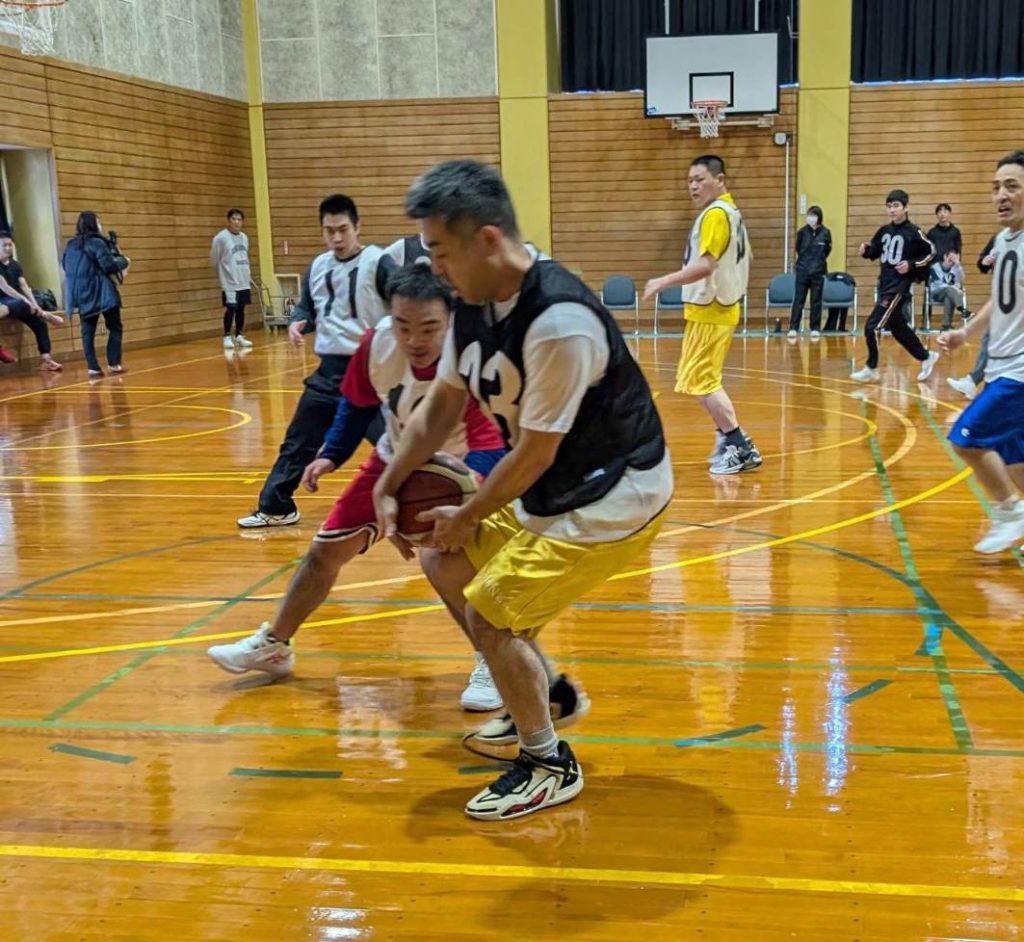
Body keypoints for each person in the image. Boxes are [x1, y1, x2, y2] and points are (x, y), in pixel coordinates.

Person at [373, 160, 673, 822]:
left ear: (487, 240)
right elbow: (441, 408)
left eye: (440, 251)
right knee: (444, 557)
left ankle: (546, 763)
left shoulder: (559, 322)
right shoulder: (474, 305)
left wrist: (469, 512)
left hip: (613, 496)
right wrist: (389, 484)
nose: (435, 268)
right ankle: (546, 694)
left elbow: (537, 452)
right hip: (555, 487)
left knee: (492, 613)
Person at [210, 264, 510, 708]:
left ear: (449, 319)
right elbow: (357, 404)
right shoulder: (377, 343)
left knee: (446, 564)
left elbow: (492, 440)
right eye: (404, 326)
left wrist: (467, 504)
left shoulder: (472, 355)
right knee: (324, 551)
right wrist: (332, 453)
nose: (415, 340)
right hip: (394, 458)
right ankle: (275, 645)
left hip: (464, 466)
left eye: (428, 328)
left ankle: (495, 662)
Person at [237, 194, 395, 528]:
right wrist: (298, 321)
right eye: (329, 231)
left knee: (394, 444)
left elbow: (404, 305)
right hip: (328, 374)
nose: (336, 238)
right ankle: (276, 505)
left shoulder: (379, 262)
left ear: (357, 227)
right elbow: (308, 307)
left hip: (371, 374)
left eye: (343, 230)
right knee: (298, 441)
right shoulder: (318, 267)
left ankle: (428, 497)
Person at [642, 155, 761, 474]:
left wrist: (662, 281)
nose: (693, 186)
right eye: (689, 181)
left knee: (704, 382)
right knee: (697, 379)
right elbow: (747, 256)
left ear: (719, 180)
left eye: (699, 179)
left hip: (712, 308)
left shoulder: (716, 215)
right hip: (713, 308)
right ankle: (729, 438)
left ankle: (739, 446)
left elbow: (707, 265)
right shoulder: (731, 212)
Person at [939, 150, 1024, 554]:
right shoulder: (1006, 240)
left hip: (1019, 373)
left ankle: (1009, 513)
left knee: (965, 438)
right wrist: (966, 333)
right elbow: (1001, 300)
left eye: (1012, 186)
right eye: (995, 188)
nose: (1001, 195)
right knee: (1013, 457)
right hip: (1001, 366)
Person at [850, 189, 939, 383]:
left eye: (896, 206)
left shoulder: (914, 232)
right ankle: (926, 357)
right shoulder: (884, 231)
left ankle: (871, 367)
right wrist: (866, 250)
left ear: (905, 208)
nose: (892, 210)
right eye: (889, 206)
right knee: (898, 328)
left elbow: (932, 252)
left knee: (872, 326)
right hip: (885, 284)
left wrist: (911, 265)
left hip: (898, 287)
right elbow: (875, 251)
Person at [61, 211, 130, 378]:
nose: (100, 225)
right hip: (102, 291)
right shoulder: (98, 243)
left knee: (87, 332)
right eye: (98, 222)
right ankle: (114, 363)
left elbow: (65, 266)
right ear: (94, 224)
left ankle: (93, 367)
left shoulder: (71, 245)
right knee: (115, 326)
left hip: (81, 293)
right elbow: (109, 266)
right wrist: (124, 260)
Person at [0, 231, 64, 371]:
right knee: (20, 303)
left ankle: (46, 359)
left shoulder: (15, 265)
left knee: (39, 323)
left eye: (10, 245)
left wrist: (35, 304)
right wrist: (27, 302)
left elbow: (24, 286)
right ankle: (46, 314)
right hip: (4, 301)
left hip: (19, 304)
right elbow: (5, 288)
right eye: (4, 245)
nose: (8, 248)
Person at [210, 208, 253, 350]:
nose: (236, 222)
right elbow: (215, 258)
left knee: (241, 308)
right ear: (228, 221)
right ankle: (227, 336)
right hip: (229, 281)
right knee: (231, 308)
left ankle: (239, 335)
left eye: (239, 219)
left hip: (243, 280)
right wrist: (224, 273)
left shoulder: (244, 237)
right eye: (234, 219)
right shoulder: (221, 238)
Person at [787, 205, 831, 338]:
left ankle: (815, 327)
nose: (810, 218)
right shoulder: (802, 232)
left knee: (816, 300)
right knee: (799, 300)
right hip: (803, 271)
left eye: (813, 215)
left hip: (818, 271)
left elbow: (827, 250)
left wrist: (818, 261)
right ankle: (793, 327)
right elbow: (798, 249)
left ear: (819, 217)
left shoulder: (826, 233)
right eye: (809, 215)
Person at [928, 250, 968, 330]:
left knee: (949, 298)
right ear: (944, 257)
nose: (951, 263)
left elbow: (962, 278)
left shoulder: (955, 268)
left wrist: (958, 265)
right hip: (936, 293)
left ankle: (946, 325)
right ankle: (962, 310)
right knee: (950, 290)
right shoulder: (935, 268)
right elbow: (938, 284)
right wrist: (954, 289)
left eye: (953, 261)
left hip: (950, 294)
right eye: (950, 260)